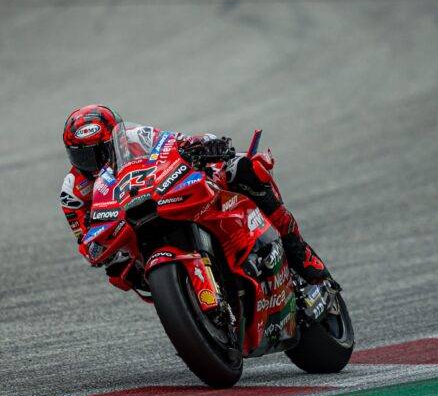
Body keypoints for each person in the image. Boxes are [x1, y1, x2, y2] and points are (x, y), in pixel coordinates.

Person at [60, 104, 334, 288]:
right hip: (129, 238)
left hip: (161, 194)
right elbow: (86, 243)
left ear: (116, 140)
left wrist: (202, 144)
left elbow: (173, 142)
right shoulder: (73, 191)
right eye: (84, 155)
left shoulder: (136, 137)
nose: (94, 162)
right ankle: (187, 304)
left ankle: (298, 250)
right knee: (119, 273)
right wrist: (101, 248)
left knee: (244, 169)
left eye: (100, 151)